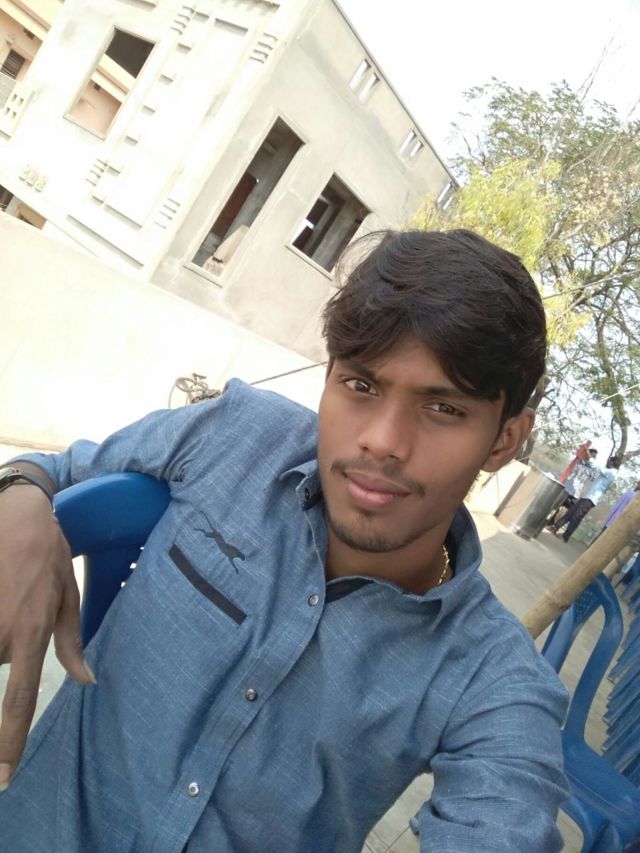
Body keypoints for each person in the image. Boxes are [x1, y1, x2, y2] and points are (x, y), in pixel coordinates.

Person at [0, 230, 569, 852]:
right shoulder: (235, 436)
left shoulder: (490, 678)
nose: (383, 440)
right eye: (361, 386)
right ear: (329, 376)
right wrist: (21, 499)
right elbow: (52, 470)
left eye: (444, 409)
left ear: (504, 439)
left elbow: (504, 816)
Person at [549, 455, 622, 542]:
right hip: (587, 496)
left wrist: (590, 458)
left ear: (612, 463)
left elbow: (598, 468)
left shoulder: (612, 472)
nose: (607, 463)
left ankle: (565, 536)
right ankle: (555, 527)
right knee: (571, 511)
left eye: (609, 461)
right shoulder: (607, 472)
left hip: (591, 499)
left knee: (577, 517)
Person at [545, 447, 598, 528]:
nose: (593, 458)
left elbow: (593, 478)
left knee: (571, 509)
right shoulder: (579, 461)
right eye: (592, 456)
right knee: (557, 504)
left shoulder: (592, 468)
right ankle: (549, 521)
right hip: (568, 487)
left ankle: (556, 523)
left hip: (576, 492)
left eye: (594, 457)